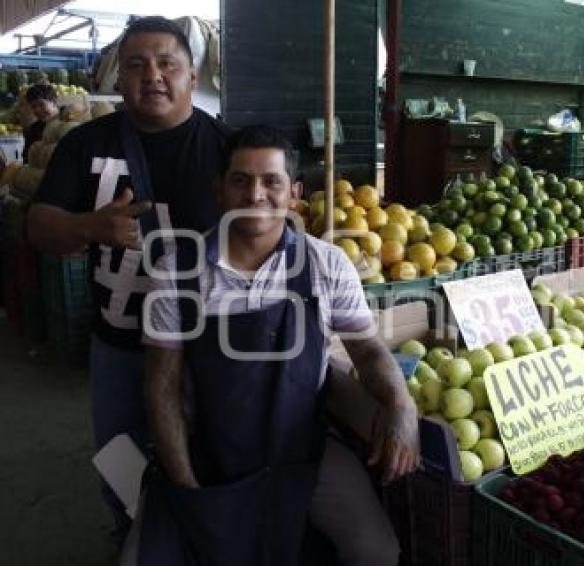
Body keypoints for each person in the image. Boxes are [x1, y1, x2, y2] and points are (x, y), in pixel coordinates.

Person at [134, 125, 418, 566]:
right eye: (240, 180)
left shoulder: (327, 263)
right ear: (219, 190)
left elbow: (369, 351)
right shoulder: (177, 271)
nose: (256, 195)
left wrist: (402, 408)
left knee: (377, 550)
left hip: (303, 452)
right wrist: (187, 488)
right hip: (210, 455)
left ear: (293, 192)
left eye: (272, 182)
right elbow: (162, 387)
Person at [27, 16, 229, 543]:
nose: (153, 76)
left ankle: (193, 537)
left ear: (191, 75)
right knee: (119, 452)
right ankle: (131, 536)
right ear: (119, 78)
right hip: (118, 340)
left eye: (168, 64)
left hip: (204, 345)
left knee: (202, 450)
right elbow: (39, 226)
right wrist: (87, 226)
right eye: (136, 65)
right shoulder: (82, 145)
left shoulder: (226, 150)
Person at [22, 83, 60, 163]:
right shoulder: (33, 130)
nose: (37, 110)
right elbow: (27, 159)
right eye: (33, 106)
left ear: (54, 102)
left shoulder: (70, 120)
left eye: (41, 104)